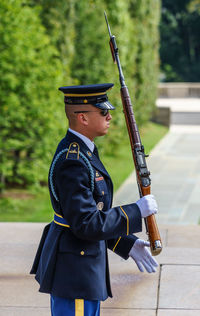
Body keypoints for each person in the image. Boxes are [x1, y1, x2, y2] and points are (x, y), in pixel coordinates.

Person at [31, 83, 158, 316]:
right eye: (102, 112)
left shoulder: (83, 151)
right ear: (83, 118)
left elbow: (92, 215)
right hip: (75, 273)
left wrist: (126, 243)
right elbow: (86, 223)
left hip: (81, 267)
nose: (109, 116)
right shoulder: (73, 161)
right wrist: (134, 211)